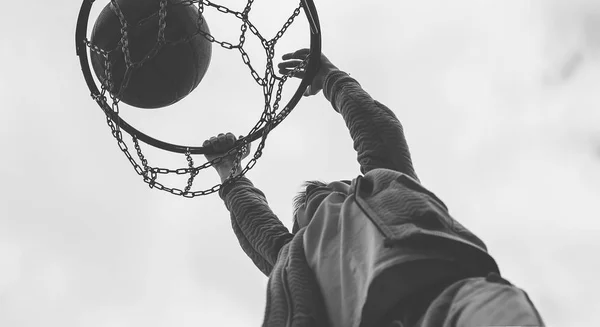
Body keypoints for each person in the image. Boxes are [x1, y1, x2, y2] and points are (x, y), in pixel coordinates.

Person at [202, 49, 545, 327]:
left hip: (441, 301)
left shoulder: (379, 190)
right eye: (308, 207)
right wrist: (229, 173)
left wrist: (330, 78)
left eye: (333, 191)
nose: (324, 199)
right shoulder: (295, 255)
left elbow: (376, 128)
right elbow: (258, 225)